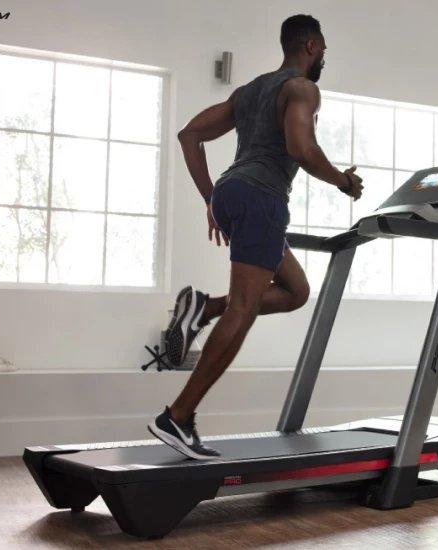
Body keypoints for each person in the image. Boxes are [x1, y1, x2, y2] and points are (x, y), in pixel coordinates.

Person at [148, 14, 364, 459]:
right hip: (261, 197)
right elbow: (302, 149)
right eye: (323, 48)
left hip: (233, 192)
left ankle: (203, 309)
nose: (324, 56)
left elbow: (190, 135)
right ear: (310, 45)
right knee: (244, 308)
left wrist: (212, 198)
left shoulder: (248, 92)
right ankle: (178, 416)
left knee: (296, 290)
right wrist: (343, 181)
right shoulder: (302, 89)